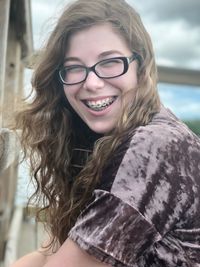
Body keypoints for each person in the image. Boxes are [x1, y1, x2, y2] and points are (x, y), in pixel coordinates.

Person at [11, 0, 200, 266]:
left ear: (141, 66)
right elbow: (47, 253)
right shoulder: (104, 140)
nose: (91, 83)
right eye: (74, 67)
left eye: (110, 62)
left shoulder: (157, 146)